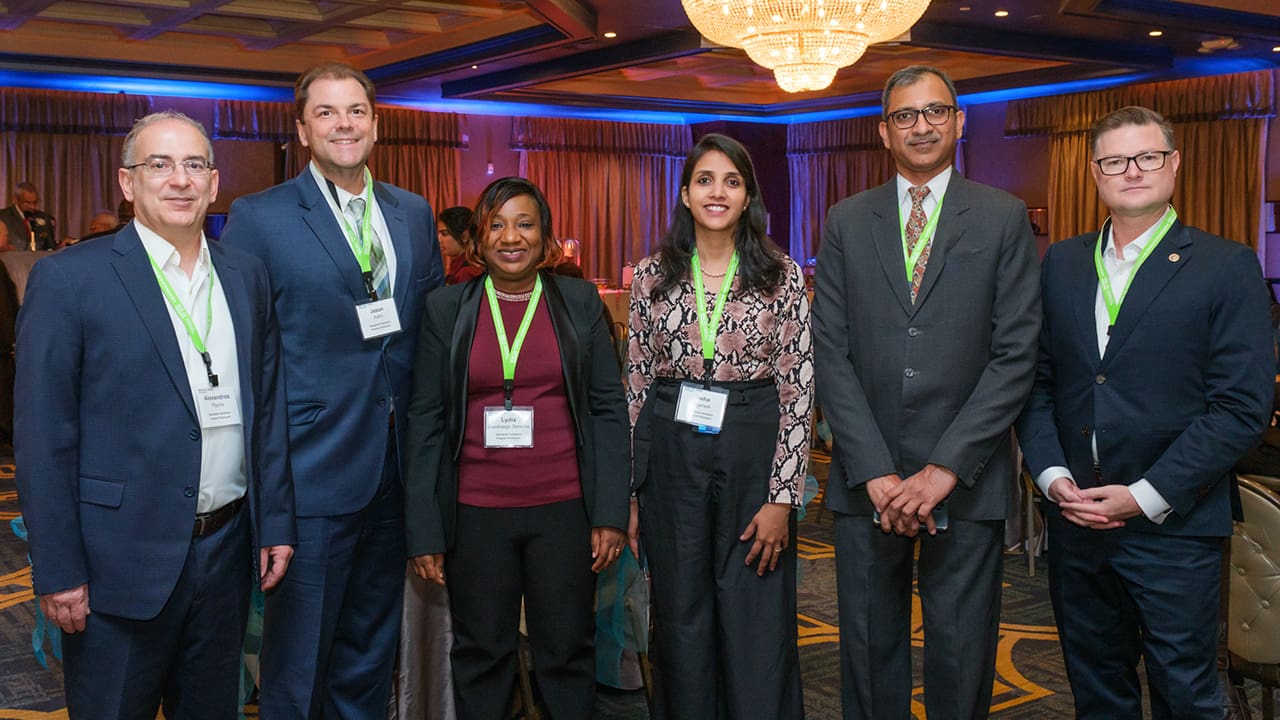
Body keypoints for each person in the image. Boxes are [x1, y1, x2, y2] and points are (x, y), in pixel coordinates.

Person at [13, 110, 295, 717]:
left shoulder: (245, 275)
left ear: (215, 184)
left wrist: (275, 522)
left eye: (194, 164)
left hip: (225, 552)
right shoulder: (70, 280)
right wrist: (59, 569)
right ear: (126, 182)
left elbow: (267, 412)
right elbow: (43, 440)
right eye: (158, 165)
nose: (179, 179)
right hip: (116, 562)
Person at [1015, 105, 1275, 719]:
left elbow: (1241, 408)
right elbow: (1038, 384)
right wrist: (1054, 481)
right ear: (1095, 173)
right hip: (1077, 519)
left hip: (1175, 526)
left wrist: (1145, 494)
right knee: (1097, 689)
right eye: (1114, 161)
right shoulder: (1063, 263)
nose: (1132, 171)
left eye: (1147, 156)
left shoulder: (1227, 266)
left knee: (1186, 693)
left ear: (1174, 163)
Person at [812, 64, 1041, 720]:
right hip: (867, 479)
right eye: (905, 116)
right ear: (884, 131)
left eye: (935, 111)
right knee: (864, 647)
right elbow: (833, 351)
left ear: (959, 121)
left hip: (964, 478)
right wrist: (878, 471)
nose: (922, 125)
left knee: (962, 651)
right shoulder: (846, 220)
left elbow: (1015, 355)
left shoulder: (1001, 217)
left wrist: (943, 468)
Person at [221, 62, 443, 718]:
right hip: (312, 468)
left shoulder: (412, 213)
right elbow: (246, 352)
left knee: (369, 653)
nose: (342, 124)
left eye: (355, 111)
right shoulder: (259, 218)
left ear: (375, 124)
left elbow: (423, 339)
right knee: (298, 661)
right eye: (326, 112)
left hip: (394, 469)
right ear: (302, 129)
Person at [404, 175, 629, 719]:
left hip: (564, 510)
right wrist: (424, 528)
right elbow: (427, 420)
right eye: (497, 225)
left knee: (566, 652)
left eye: (525, 223)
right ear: (478, 239)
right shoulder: (445, 309)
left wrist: (610, 512)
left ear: (546, 237)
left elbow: (607, 408)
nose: (511, 236)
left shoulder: (577, 302)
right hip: (476, 512)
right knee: (482, 654)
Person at [627, 132, 813, 719]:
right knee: (680, 610)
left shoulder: (780, 274)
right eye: (705, 180)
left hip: (753, 442)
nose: (717, 192)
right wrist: (629, 489)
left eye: (731, 181)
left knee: (754, 609)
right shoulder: (651, 276)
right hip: (671, 446)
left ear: (747, 196)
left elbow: (799, 389)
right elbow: (633, 381)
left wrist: (784, 498)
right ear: (685, 194)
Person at [0, 181, 58, 251]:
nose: (32, 207)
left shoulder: (44, 218)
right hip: (12, 260)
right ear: (16, 200)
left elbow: (50, 247)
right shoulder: (3, 217)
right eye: (28, 203)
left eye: (35, 202)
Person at [438, 205, 482, 286]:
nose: (439, 239)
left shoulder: (467, 273)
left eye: (444, 234)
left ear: (465, 236)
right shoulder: (462, 265)